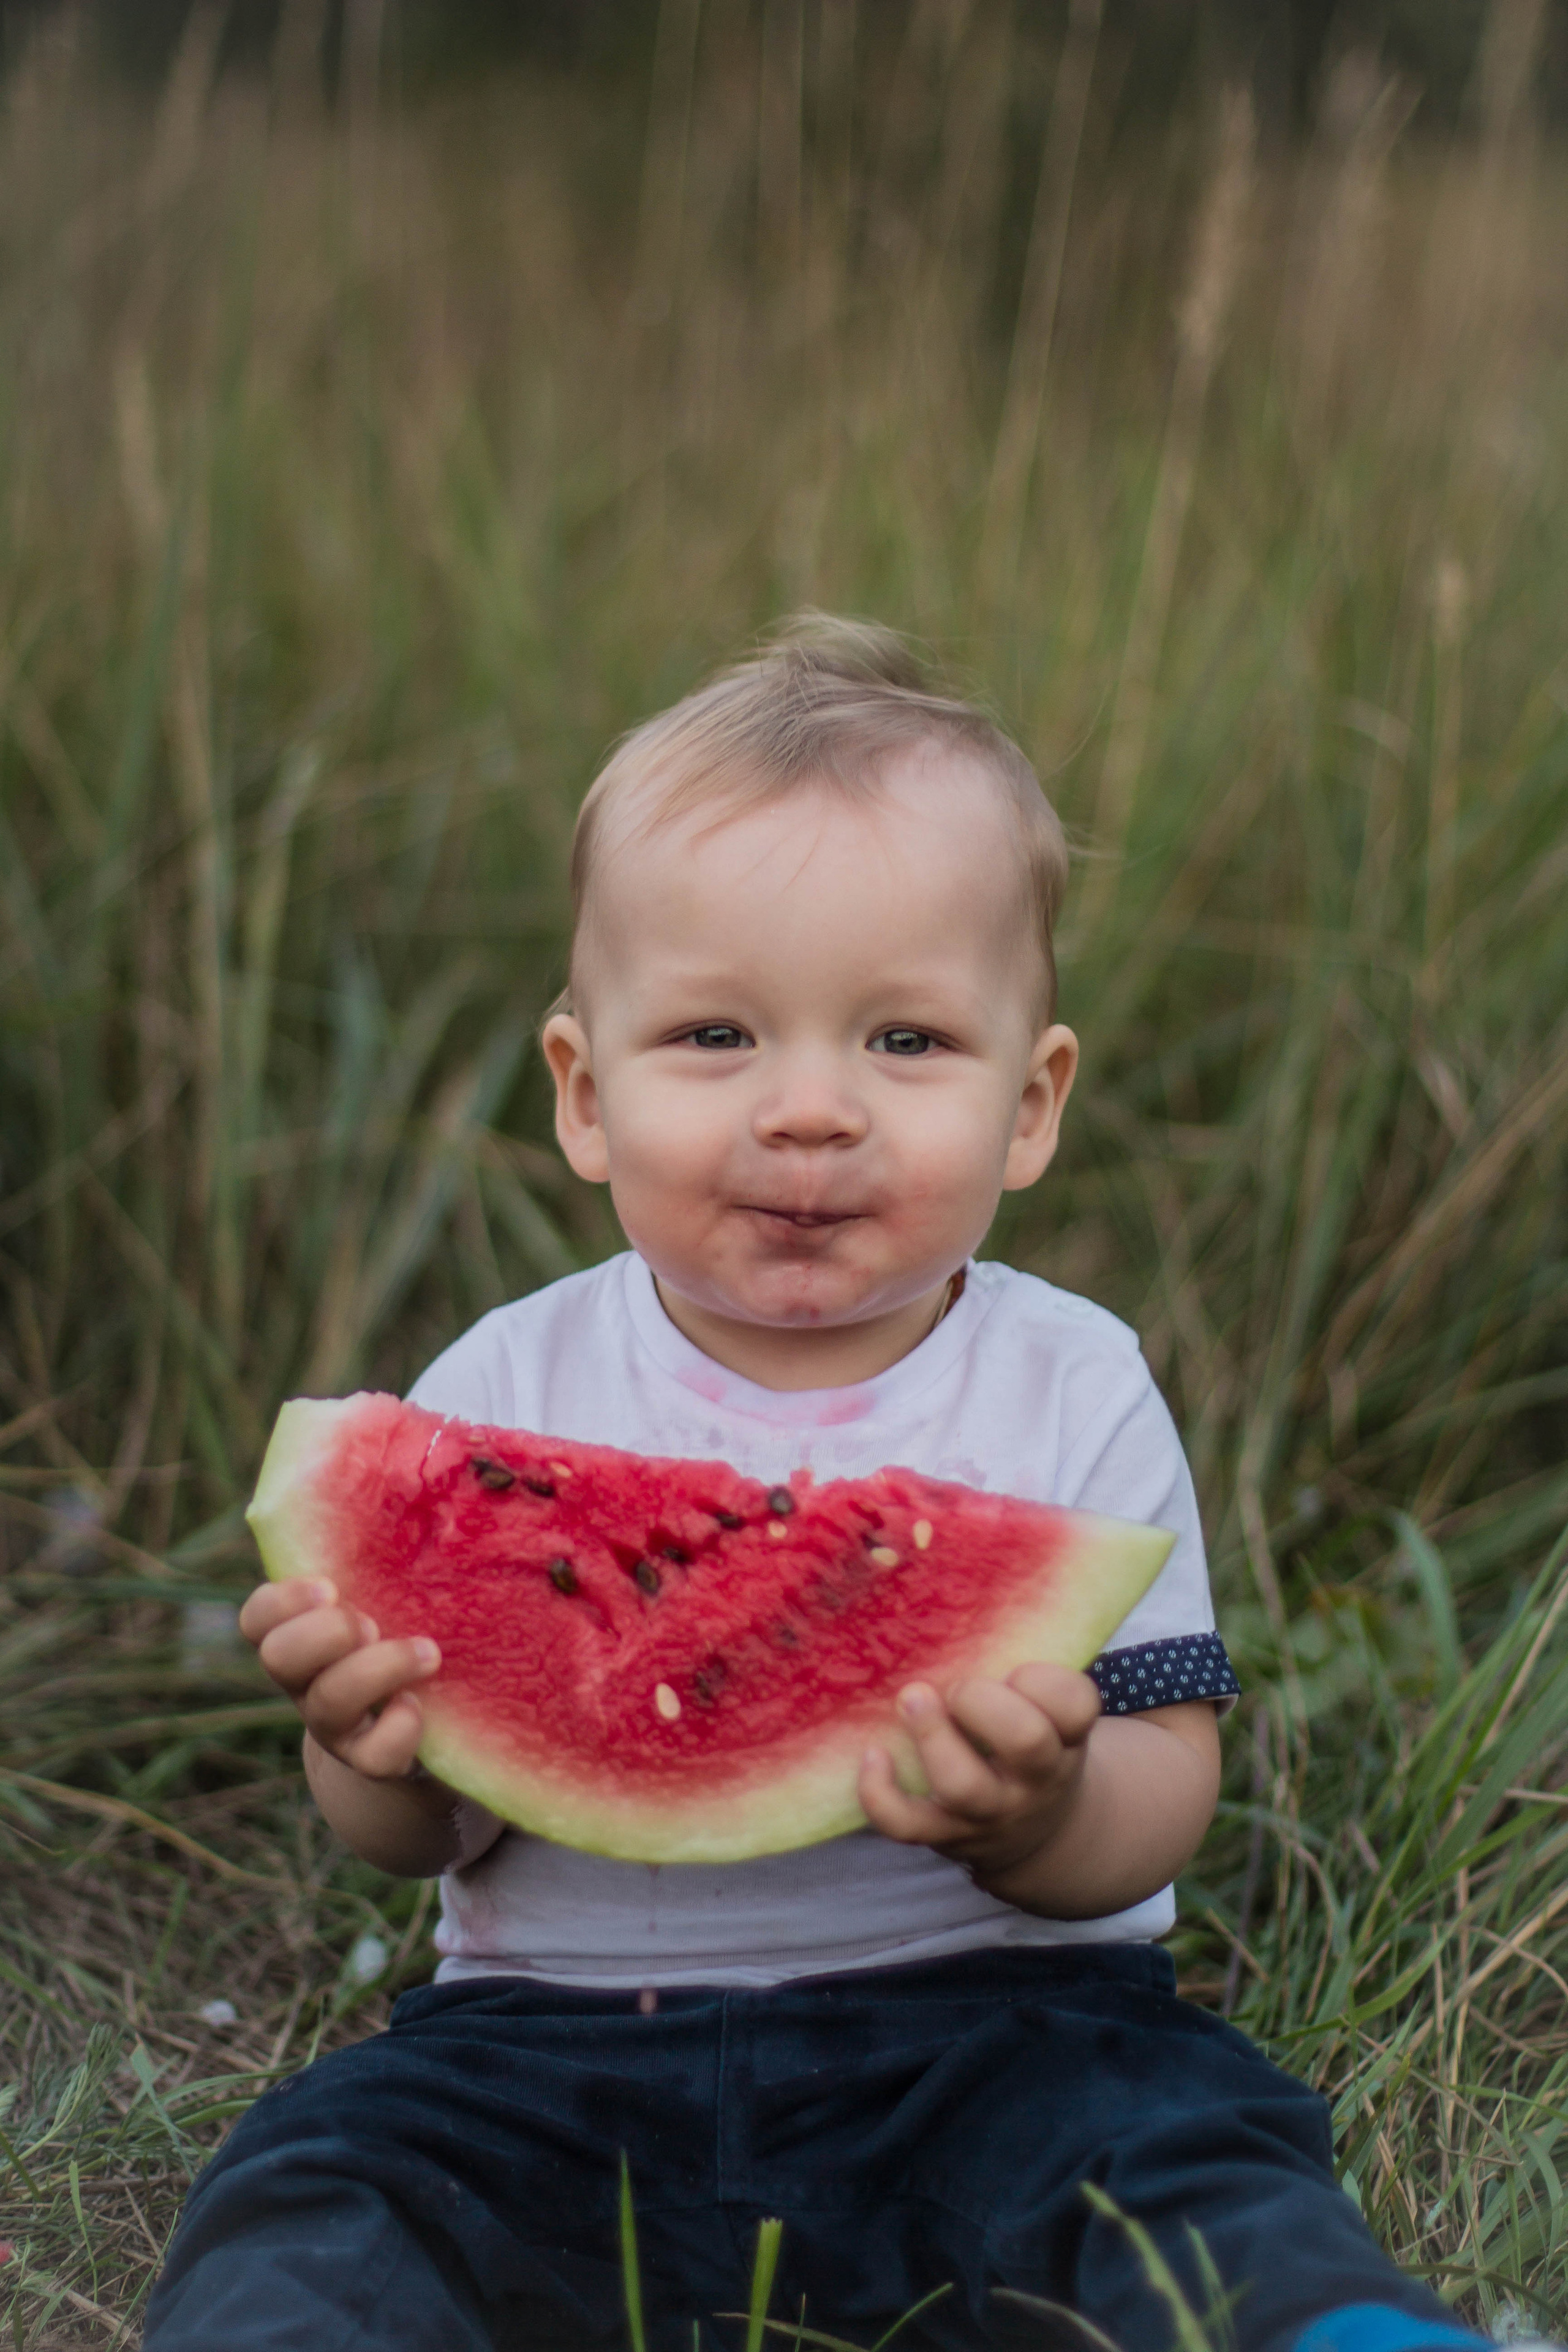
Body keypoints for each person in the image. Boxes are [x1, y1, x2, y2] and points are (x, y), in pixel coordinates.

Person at [145, 619, 1523, 2352]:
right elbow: (427, 1828)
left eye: (906, 1045)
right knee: (320, 2192)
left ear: (1033, 1106)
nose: (810, 1112)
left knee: (1193, 2171)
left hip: (1004, 2040)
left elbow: (1169, 1772)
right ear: (585, 1092)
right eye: (717, 1036)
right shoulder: (498, 1387)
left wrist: (1044, 1821)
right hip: (554, 2059)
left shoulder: (1068, 1382)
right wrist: (372, 1753)